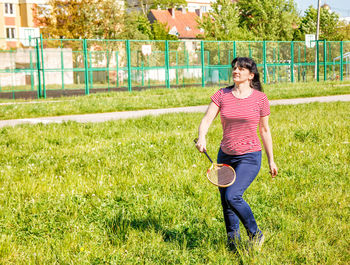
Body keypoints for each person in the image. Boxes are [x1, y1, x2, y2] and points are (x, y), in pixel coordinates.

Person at [195, 57, 278, 251]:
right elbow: (207, 119)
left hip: (250, 156)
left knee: (233, 196)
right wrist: (202, 137)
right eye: (234, 68)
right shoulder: (222, 95)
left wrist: (271, 160)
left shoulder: (260, 99)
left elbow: (265, 130)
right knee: (226, 201)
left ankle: (255, 234)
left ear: (251, 75)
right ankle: (233, 243)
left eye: (241, 69)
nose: (236, 71)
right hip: (225, 156)